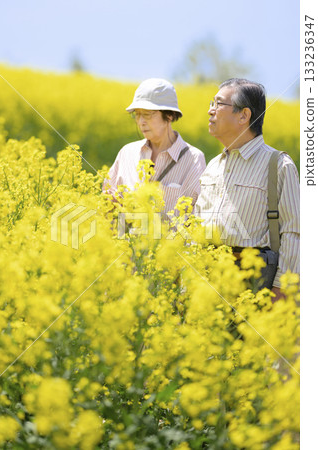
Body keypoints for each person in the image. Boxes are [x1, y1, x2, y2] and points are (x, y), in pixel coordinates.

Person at [195, 78, 300, 301]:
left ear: (244, 115)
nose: (210, 110)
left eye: (218, 104)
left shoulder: (279, 165)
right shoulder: (213, 166)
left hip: (255, 286)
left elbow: (294, 233)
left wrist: (280, 292)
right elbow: (196, 226)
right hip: (208, 287)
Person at [103, 78, 206, 213]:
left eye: (147, 115)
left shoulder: (193, 159)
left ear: (169, 115)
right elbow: (106, 207)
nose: (141, 122)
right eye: (137, 115)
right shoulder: (126, 153)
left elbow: (196, 217)